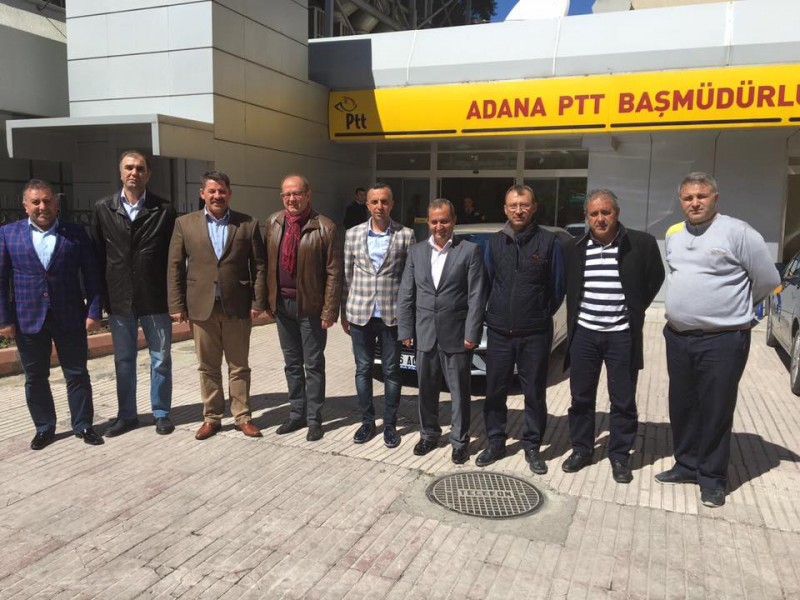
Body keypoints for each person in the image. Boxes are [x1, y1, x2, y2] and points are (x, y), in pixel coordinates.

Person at [657, 172, 779, 507]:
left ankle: (712, 478)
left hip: (722, 340)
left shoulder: (739, 232)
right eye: (688, 198)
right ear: (680, 201)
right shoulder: (674, 234)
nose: (694, 203)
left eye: (701, 196)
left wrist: (737, 311)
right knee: (682, 405)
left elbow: (767, 279)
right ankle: (686, 465)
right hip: (678, 337)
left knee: (715, 409)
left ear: (715, 197)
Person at [561, 189, 665, 483]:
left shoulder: (641, 243)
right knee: (581, 397)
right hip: (584, 334)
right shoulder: (574, 247)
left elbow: (655, 277)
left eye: (605, 212)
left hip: (622, 335)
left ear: (616, 213)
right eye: (594, 214)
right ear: (586, 217)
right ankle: (582, 449)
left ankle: (619, 455)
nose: (600, 219)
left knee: (622, 399)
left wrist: (635, 308)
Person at [0, 180, 104, 449]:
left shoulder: (75, 233)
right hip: (27, 317)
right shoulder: (8, 234)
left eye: (47, 201)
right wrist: (4, 319)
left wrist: (94, 311)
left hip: (69, 315)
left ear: (56, 204)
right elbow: (1, 280)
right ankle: (44, 427)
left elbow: (92, 274)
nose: (42, 207)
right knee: (35, 377)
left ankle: (83, 424)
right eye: (35, 202)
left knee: (77, 373)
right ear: (25, 206)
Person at [167, 171, 267, 440]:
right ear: (202, 194)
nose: (217, 196)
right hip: (201, 307)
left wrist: (258, 300)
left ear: (229, 193)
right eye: (211, 191)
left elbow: (259, 265)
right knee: (208, 367)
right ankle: (212, 417)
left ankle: (242, 416)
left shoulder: (247, 224)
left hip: (237, 306)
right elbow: (175, 266)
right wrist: (176, 304)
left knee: (239, 366)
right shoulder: (184, 224)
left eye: (222, 191)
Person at [474, 185, 564, 474]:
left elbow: (557, 288)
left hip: (534, 334)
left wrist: (537, 312)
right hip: (499, 332)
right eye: (513, 205)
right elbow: (488, 283)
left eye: (524, 205)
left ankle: (532, 446)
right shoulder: (495, 243)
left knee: (534, 393)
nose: (518, 210)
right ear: (505, 209)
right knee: (494, 391)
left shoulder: (549, 242)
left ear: (534, 207)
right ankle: (496, 442)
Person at [92, 150, 177, 436]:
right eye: (129, 167)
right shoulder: (103, 208)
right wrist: (99, 299)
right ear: (120, 173)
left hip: (155, 297)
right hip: (119, 299)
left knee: (160, 359)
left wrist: (175, 298)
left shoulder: (164, 209)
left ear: (148, 175)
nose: (134, 173)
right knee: (124, 361)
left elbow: (174, 257)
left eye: (140, 168)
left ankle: (161, 412)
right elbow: (97, 256)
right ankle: (127, 415)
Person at [397, 198, 485, 464]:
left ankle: (459, 441)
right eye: (434, 221)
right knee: (426, 389)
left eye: (444, 221)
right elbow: (406, 293)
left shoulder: (469, 251)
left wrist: (472, 333)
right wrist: (405, 329)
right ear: (428, 223)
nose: (439, 226)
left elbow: (476, 296)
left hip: (456, 334)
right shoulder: (416, 252)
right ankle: (429, 434)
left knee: (459, 392)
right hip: (424, 333)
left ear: (454, 221)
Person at [265, 174, 342, 441]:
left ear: (308, 195)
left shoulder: (325, 227)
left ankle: (314, 419)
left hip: (310, 307)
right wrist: (267, 301)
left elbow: (334, 273)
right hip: (282, 306)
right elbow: (266, 265)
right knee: (292, 364)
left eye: (297, 193)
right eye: (287, 194)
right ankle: (296, 413)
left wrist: (329, 311)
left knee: (313, 364)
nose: (292, 199)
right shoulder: (274, 223)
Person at [341, 183, 415, 448]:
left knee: (392, 371)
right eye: (374, 202)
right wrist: (344, 312)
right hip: (359, 313)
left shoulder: (406, 235)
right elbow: (346, 276)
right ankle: (367, 422)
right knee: (363, 369)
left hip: (391, 315)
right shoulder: (352, 234)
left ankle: (391, 425)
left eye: (384, 201)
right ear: (367, 204)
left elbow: (409, 280)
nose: (379, 206)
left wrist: (408, 318)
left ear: (392, 204)